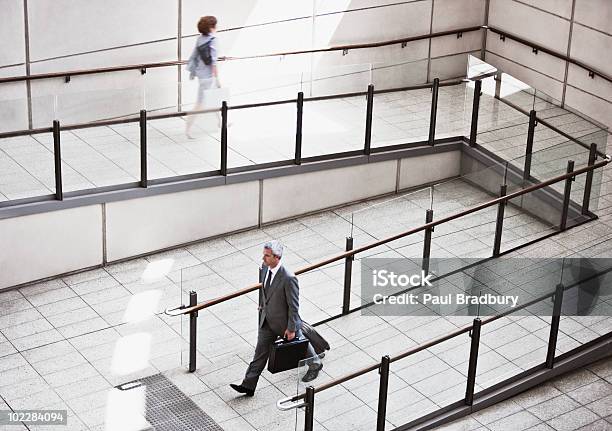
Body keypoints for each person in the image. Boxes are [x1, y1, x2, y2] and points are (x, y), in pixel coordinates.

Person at [230, 240, 323, 396]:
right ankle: (248, 385)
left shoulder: (288, 278)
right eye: (263, 255)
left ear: (277, 257)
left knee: (300, 344)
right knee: (259, 353)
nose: (263, 258)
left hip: (284, 323)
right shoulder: (265, 268)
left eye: (267, 256)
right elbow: (264, 290)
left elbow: (294, 306)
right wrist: (261, 305)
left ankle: (315, 364)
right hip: (267, 321)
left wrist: (291, 328)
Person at [185, 15, 220, 138]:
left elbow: (194, 55)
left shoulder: (200, 39)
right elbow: (214, 62)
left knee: (214, 99)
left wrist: (193, 72)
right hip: (208, 76)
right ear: (211, 28)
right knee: (200, 104)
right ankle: (188, 129)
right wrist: (218, 79)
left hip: (201, 74)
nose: (216, 27)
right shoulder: (213, 40)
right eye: (214, 25)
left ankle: (221, 123)